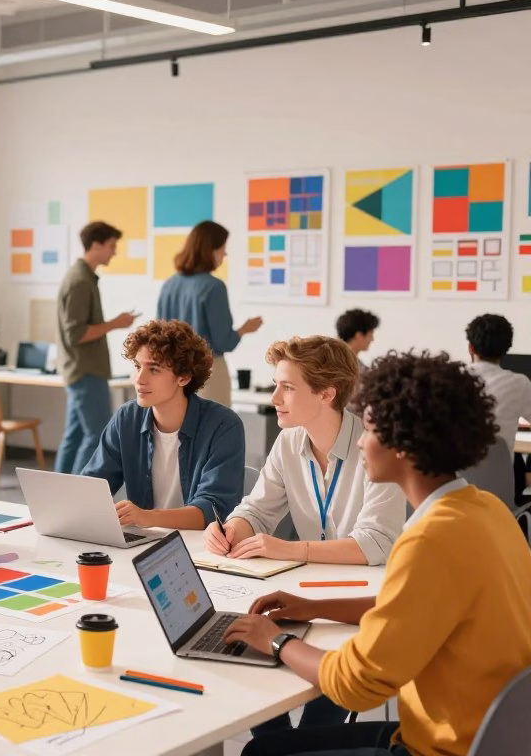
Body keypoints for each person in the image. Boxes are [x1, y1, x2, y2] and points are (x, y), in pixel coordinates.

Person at [224, 351, 531, 756]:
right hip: (488, 735)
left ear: (401, 446)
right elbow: (414, 604)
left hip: (436, 746)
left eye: (368, 430)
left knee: (262, 752)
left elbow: (357, 685)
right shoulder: (487, 510)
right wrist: (314, 606)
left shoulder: (429, 540)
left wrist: (277, 641)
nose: (362, 441)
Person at [205, 335, 405, 732]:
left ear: (326, 394)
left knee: (314, 709)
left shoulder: (376, 446)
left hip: (364, 596)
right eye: (275, 384)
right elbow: (258, 509)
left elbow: (376, 543)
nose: (274, 396)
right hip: (308, 586)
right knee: (246, 636)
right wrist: (232, 529)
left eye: (287, 387)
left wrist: (288, 547)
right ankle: (277, 738)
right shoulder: (289, 441)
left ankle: (308, 740)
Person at [82, 319, 246, 530]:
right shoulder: (127, 418)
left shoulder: (224, 426)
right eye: (137, 366)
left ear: (184, 377)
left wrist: (146, 517)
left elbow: (212, 511)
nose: (139, 379)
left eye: (154, 369)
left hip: (201, 547)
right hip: (145, 543)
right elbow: (93, 485)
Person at [55, 221, 138, 474]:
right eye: (111, 246)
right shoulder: (80, 281)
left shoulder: (83, 278)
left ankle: (56, 493)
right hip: (86, 371)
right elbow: (76, 334)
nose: (114, 252)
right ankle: (76, 492)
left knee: (75, 435)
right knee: (96, 434)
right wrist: (115, 324)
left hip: (81, 370)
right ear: (96, 245)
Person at [157, 220, 263, 406]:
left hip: (174, 371)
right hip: (207, 373)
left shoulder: (170, 284)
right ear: (211, 250)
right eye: (223, 248)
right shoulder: (214, 287)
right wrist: (244, 329)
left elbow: (160, 333)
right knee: (215, 431)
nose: (225, 254)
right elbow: (224, 341)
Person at [466, 313, 531, 454]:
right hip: (501, 474)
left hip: (455, 472)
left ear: (470, 347)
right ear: (507, 349)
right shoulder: (519, 384)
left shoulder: (451, 379)